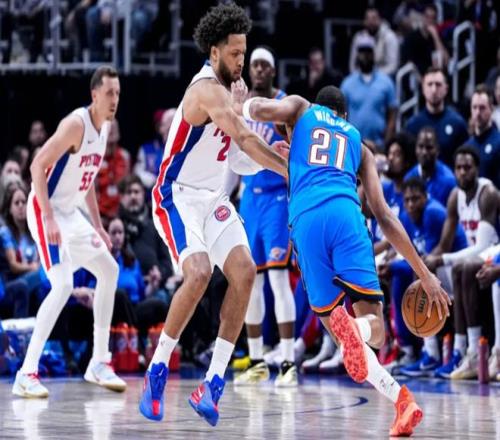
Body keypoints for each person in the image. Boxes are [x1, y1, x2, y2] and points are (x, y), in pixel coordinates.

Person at [240, 85, 449, 436]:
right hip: (346, 215)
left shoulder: (301, 108)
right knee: (375, 330)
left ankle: (400, 399)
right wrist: (425, 274)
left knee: (341, 336)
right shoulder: (359, 145)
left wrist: (239, 104)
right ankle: (378, 359)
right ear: (346, 117)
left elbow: (260, 109)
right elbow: (384, 215)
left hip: (306, 221)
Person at [138, 3, 287, 426]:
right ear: (215, 51)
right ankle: (157, 369)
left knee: (245, 272)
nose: (242, 62)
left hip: (212, 196)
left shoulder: (232, 92)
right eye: (235, 54)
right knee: (199, 273)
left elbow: (237, 157)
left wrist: (269, 154)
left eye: (245, 53)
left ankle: (213, 382)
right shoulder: (206, 89)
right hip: (176, 195)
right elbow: (243, 137)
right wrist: (289, 169)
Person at [12, 66, 126, 398]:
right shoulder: (76, 124)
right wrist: (48, 218)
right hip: (45, 208)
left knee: (109, 270)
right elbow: (37, 165)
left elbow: (85, 182)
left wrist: (98, 225)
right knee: (63, 285)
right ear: (94, 94)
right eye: (109, 93)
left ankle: (99, 362)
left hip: (70, 213)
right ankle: (26, 372)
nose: (114, 99)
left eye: (118, 93)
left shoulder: (104, 129)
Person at [234, 46, 297, 387]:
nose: (258, 69)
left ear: (272, 71)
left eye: (264, 65)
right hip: (249, 200)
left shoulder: (283, 105)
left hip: (277, 199)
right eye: (254, 65)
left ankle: (288, 361)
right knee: (250, 282)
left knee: (278, 279)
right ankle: (257, 360)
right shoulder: (240, 106)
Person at [425, 145, 500, 379]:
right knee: (432, 271)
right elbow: (444, 244)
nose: (462, 172)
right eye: (458, 168)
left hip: (493, 250)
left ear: (477, 169)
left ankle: (475, 351)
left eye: (467, 167)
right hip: (474, 255)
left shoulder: (488, 194)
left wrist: (442, 258)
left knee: (463, 267)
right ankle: (452, 350)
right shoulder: (455, 196)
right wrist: (426, 263)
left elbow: (483, 246)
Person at [341, 34, 397, 150]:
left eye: (368, 51)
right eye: (361, 52)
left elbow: (393, 114)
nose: (365, 56)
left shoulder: (386, 82)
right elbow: (342, 116)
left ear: (374, 54)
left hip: (379, 145)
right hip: (354, 145)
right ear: (357, 55)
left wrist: (386, 143)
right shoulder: (347, 84)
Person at [405, 68, 469, 167]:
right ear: (423, 89)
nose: (434, 90)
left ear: (446, 89)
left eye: (438, 85)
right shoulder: (412, 125)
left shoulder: (458, 124)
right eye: (430, 84)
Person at [404, 126, 456, 207]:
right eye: (420, 147)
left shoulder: (449, 181)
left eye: (429, 148)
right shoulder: (409, 178)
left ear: (437, 150)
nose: (424, 152)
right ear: (415, 149)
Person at [349, 7, 400, 76]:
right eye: (367, 19)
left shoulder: (390, 37)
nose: (370, 22)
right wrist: (358, 77)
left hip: (384, 76)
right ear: (364, 21)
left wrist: (374, 76)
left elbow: (393, 66)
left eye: (374, 18)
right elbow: (352, 65)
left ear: (380, 20)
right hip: (361, 76)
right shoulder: (359, 37)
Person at [467, 84, 500, 188]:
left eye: (482, 108)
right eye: (474, 107)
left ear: (491, 109)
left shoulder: (498, 142)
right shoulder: (467, 146)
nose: (477, 113)